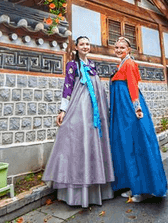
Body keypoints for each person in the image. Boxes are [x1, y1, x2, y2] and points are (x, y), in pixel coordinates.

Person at [42, 36, 115, 207]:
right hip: (79, 110)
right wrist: (63, 110)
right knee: (76, 142)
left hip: (94, 112)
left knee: (93, 144)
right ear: (76, 47)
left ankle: (94, 188)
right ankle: (76, 191)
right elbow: (67, 87)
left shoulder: (92, 65)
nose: (85, 46)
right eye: (82, 44)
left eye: (88, 44)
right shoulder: (72, 65)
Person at [109, 36, 167, 202]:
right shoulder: (121, 64)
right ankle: (133, 185)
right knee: (126, 145)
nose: (119, 50)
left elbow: (133, 87)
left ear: (129, 50)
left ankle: (141, 189)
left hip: (129, 109)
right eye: (116, 47)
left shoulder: (129, 63)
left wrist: (137, 108)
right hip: (122, 110)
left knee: (135, 144)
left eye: (122, 47)